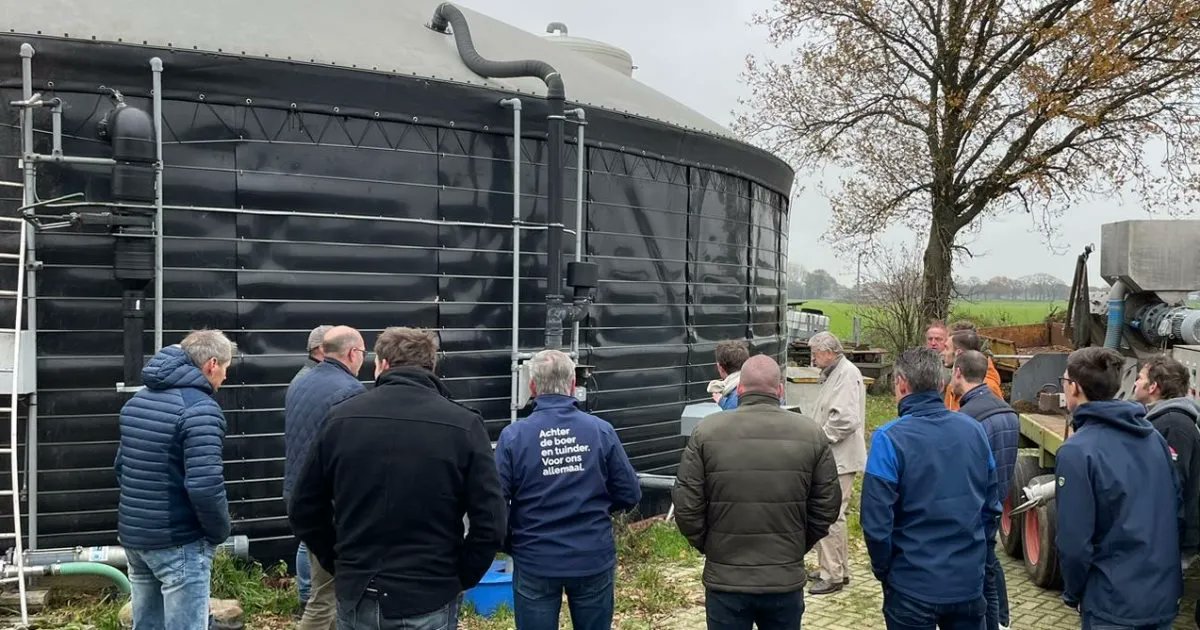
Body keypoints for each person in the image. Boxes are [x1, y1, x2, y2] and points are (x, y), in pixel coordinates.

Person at [289, 327, 505, 630]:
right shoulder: (464, 425)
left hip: (359, 591)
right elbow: (492, 521)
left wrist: (340, 563)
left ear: (381, 365)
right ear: (432, 367)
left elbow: (303, 509)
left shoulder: (340, 420)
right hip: (429, 592)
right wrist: (460, 577)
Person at [674, 355, 841, 630]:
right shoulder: (811, 433)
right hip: (784, 579)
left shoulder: (706, 432)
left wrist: (711, 546)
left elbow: (686, 505)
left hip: (725, 580)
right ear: (780, 390)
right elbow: (826, 506)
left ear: (739, 389)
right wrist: (797, 545)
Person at [495, 349, 642, 630]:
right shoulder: (601, 430)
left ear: (533, 386)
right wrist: (597, 511)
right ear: (573, 385)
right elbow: (630, 493)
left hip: (535, 557)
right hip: (591, 554)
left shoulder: (513, 436)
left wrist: (510, 543)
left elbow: (495, 503)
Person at [861, 347, 1000, 630]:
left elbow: (876, 523)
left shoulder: (889, 439)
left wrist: (885, 571)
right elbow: (991, 507)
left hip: (911, 584)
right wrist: (979, 558)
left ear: (900, 383)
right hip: (967, 582)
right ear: (941, 384)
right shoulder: (974, 431)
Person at [115, 330, 236, 630]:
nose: (225, 377)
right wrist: (219, 531)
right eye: (225, 368)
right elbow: (204, 486)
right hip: (179, 541)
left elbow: (121, 467)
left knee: (147, 624)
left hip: (136, 536)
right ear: (211, 365)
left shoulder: (137, 401)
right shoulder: (200, 410)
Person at [1057, 347, 1182, 629]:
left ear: (1074, 388)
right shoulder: (1154, 439)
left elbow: (1074, 542)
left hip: (1112, 604)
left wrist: (1074, 592)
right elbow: (1176, 510)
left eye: (1064, 381)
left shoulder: (1077, 452)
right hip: (1160, 599)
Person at [285, 326, 368, 630]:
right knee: (325, 598)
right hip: (331, 505)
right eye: (363, 353)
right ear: (352, 353)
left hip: (302, 497)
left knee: (323, 585)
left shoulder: (301, 382)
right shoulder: (350, 391)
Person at [951, 351, 1019, 630]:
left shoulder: (967, 419)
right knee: (991, 566)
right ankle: (1002, 620)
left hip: (974, 511)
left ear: (958, 373)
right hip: (996, 501)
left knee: (982, 570)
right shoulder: (1007, 411)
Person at [805, 332, 866, 596]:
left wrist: (820, 439)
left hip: (839, 458)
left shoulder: (846, 374)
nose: (813, 358)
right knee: (834, 514)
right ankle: (835, 568)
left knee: (829, 514)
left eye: (815, 353)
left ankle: (832, 575)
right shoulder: (836, 372)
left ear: (829, 352)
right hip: (834, 458)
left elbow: (845, 419)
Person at [1133, 354, 1200, 567]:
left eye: (1140, 378)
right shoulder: (1161, 419)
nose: (1135, 382)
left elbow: (1172, 486)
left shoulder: (1174, 426)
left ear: (1153, 387)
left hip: (1170, 538)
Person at [941, 329, 1003, 411]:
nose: (943, 353)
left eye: (946, 348)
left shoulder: (988, 387)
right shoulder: (954, 382)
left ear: (958, 353)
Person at [707, 340, 750, 410]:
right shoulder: (755, 382)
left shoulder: (735, 397)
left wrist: (723, 402)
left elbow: (734, 416)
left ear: (720, 367)